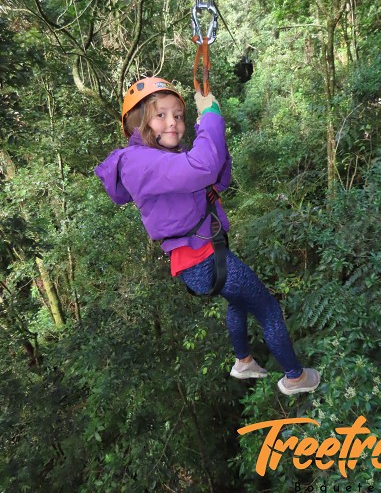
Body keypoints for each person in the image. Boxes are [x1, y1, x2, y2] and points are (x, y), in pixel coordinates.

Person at [95, 77, 320, 395]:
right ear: (137, 123)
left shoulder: (161, 161)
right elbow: (202, 167)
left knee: (238, 301)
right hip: (205, 260)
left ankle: (243, 361)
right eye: (161, 115)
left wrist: (210, 132)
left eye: (178, 115)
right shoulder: (137, 162)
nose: (173, 122)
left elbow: (215, 179)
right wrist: (211, 116)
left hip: (201, 260)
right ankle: (295, 378)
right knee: (267, 307)